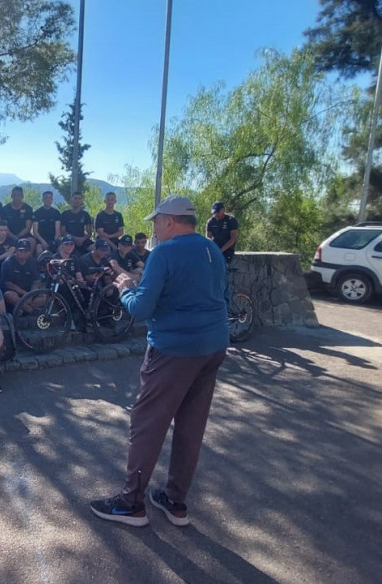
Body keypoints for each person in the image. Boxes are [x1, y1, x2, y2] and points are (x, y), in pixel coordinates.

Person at [89, 195, 229, 528]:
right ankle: (175, 500)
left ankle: (131, 503)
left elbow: (140, 310)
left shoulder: (164, 252)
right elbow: (208, 294)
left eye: (155, 222)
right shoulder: (212, 250)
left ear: (169, 221)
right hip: (213, 347)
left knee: (147, 423)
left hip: (173, 350)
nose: (153, 228)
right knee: (191, 427)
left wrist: (124, 288)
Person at [1, 239, 39, 311]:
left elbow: (36, 281)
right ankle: (30, 310)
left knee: (45, 297)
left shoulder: (33, 262)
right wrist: (24, 293)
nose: (23, 253)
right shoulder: (8, 262)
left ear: (29, 252)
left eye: (26, 251)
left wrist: (30, 295)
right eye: (21, 251)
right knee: (10, 295)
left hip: (29, 292)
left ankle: (22, 309)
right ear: (16, 250)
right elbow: (8, 284)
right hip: (15, 292)